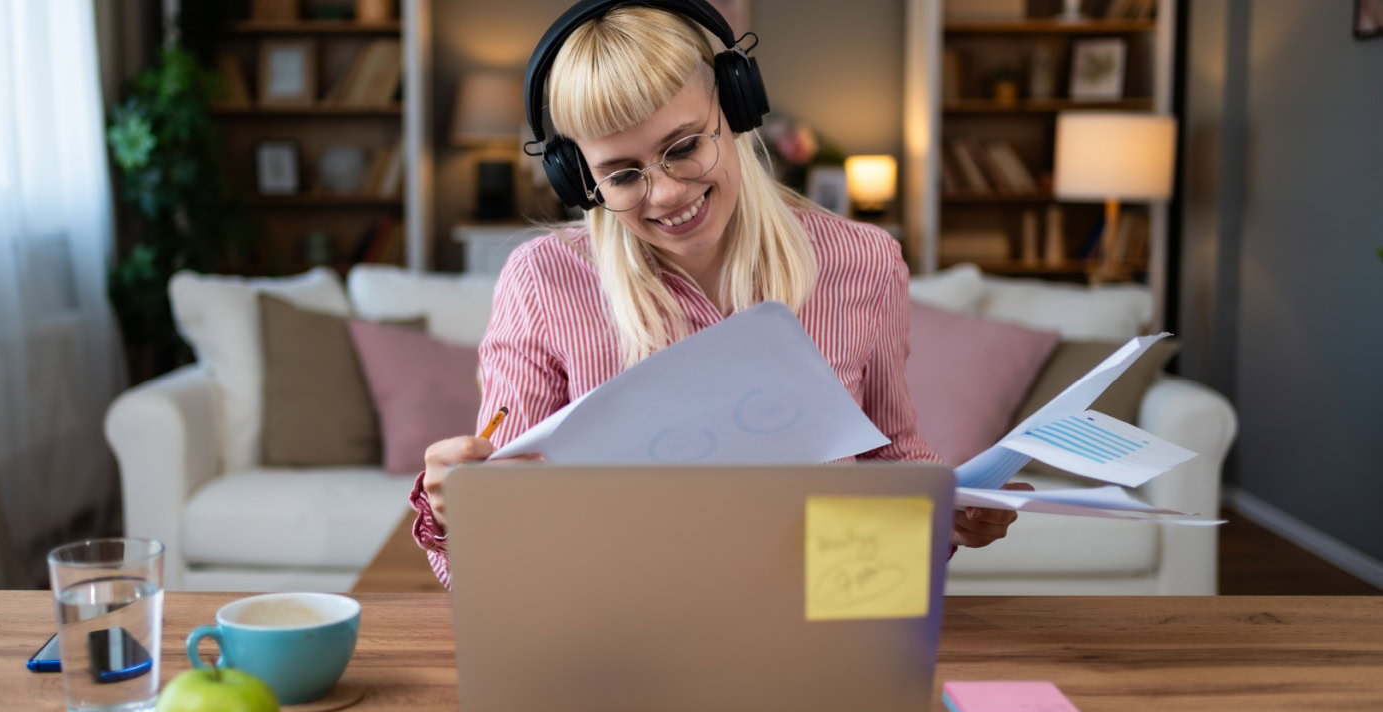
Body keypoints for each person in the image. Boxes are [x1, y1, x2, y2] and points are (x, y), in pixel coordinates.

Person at [408, 1, 1018, 589]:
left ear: (735, 108)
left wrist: (952, 516)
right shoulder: (542, 281)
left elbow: (893, 468)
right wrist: (459, 512)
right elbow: (493, 554)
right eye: (622, 175)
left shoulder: (863, 262)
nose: (668, 193)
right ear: (581, 180)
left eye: (685, 147)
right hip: (612, 638)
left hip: (815, 626)